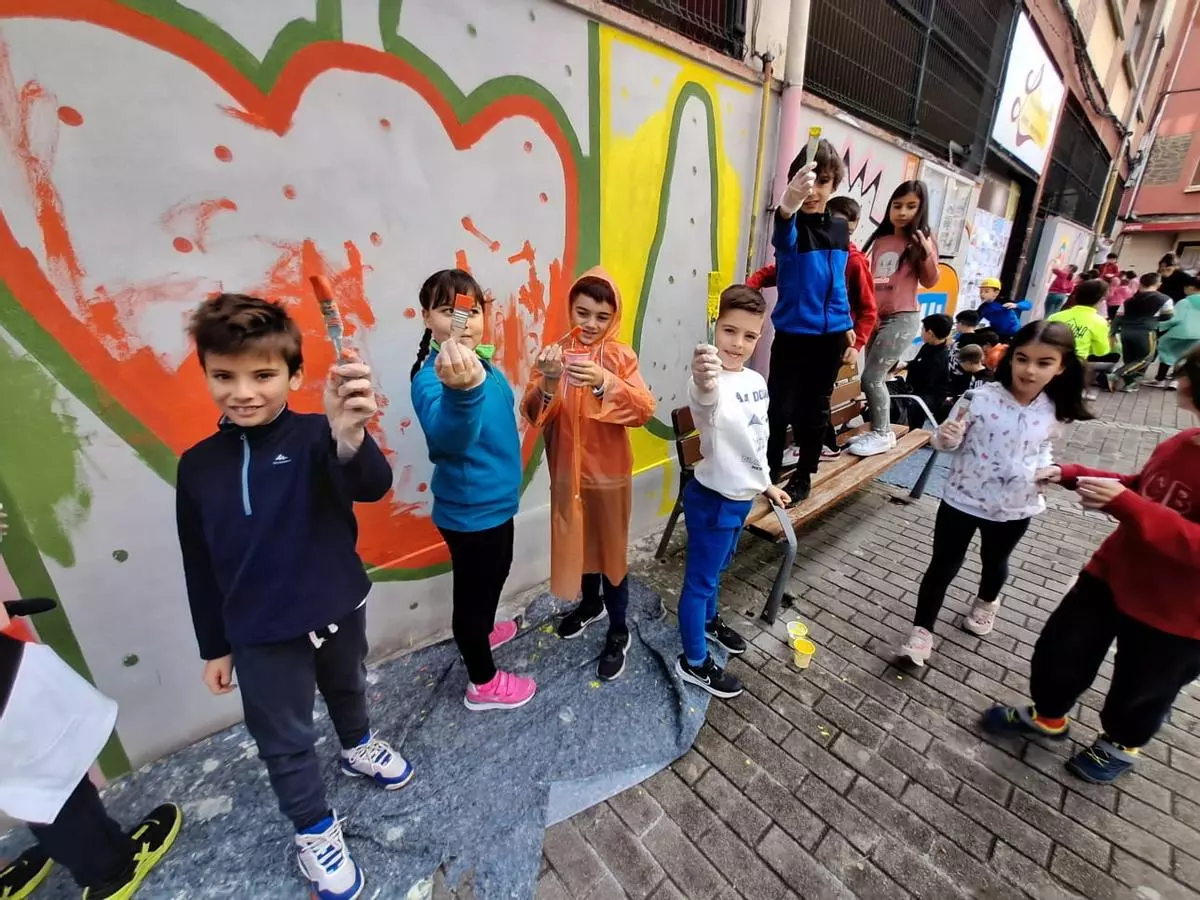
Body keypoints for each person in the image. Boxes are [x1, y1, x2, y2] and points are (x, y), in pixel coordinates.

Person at [176, 294, 409, 900]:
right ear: (206, 374)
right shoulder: (196, 466)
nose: (242, 392)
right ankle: (313, 830)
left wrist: (348, 433)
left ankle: (357, 745)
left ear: (295, 375)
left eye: (262, 375)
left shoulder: (317, 435)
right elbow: (198, 563)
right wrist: (215, 645)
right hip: (259, 633)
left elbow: (372, 484)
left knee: (349, 685)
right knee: (284, 740)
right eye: (224, 376)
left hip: (338, 605)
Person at [982, 343, 1200, 783]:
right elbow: (1142, 486)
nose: (1180, 380)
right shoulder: (1183, 441)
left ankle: (1120, 744)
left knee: (1144, 685)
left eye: (1188, 373)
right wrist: (1072, 474)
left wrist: (1130, 506)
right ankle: (1048, 716)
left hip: (1177, 613)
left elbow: (1146, 509)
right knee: (1061, 649)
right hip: (1112, 575)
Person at [900, 322, 1090, 666]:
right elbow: (944, 442)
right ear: (1010, 358)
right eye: (1022, 359)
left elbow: (1043, 449)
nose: (1029, 370)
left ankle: (987, 601)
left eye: (1044, 363)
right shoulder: (979, 398)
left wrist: (1047, 470)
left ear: (1061, 366)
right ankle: (921, 632)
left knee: (995, 561)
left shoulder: (1056, 409)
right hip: (962, 498)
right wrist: (946, 437)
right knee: (943, 565)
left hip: (1016, 505)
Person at [410, 269, 536, 707]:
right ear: (427, 318)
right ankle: (481, 682)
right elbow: (449, 440)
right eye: (448, 311)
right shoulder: (433, 380)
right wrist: (461, 393)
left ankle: (481, 631)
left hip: (497, 503)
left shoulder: (483, 365)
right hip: (470, 512)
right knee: (472, 593)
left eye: (472, 310)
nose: (463, 322)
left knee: (498, 571)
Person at [524, 270, 656, 680]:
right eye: (583, 313)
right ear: (570, 309)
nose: (591, 324)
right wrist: (549, 380)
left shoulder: (620, 357)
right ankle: (589, 604)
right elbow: (533, 414)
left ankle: (618, 629)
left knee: (610, 552)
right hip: (568, 475)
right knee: (578, 544)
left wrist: (604, 384)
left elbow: (643, 409)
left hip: (609, 476)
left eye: (602, 316)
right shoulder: (554, 354)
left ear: (614, 317)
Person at [676, 286, 790, 698]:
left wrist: (767, 484)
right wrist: (703, 378)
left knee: (718, 570)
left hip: (742, 499)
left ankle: (709, 623)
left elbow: (755, 442)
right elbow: (705, 400)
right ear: (714, 327)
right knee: (699, 583)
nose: (738, 343)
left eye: (749, 335)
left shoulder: (756, 380)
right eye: (729, 331)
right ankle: (693, 661)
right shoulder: (708, 381)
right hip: (713, 502)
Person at [747, 194, 877, 461]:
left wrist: (856, 342)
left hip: (833, 337)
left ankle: (820, 448)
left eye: (847, 231)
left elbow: (868, 309)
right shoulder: (805, 247)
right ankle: (803, 450)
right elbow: (774, 271)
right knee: (792, 399)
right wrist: (748, 292)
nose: (838, 235)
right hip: (797, 334)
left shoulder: (853, 260)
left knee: (812, 398)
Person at [761, 139, 853, 501]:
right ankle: (768, 472)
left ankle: (804, 475)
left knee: (815, 409)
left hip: (830, 336)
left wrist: (847, 324)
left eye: (823, 182)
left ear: (834, 185)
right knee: (779, 407)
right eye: (806, 181)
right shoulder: (792, 226)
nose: (813, 191)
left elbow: (838, 282)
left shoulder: (840, 228)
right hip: (793, 333)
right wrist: (787, 206)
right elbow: (783, 232)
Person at [851, 180, 940, 458]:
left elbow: (930, 280)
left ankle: (882, 433)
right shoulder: (881, 241)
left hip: (902, 317)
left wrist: (926, 252)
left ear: (921, 209)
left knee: (872, 378)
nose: (902, 212)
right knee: (874, 377)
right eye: (897, 205)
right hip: (875, 318)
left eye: (911, 206)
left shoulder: (922, 241)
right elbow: (872, 282)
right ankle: (879, 428)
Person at [1108, 273, 1172, 392]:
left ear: (1140, 284)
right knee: (1145, 359)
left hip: (1126, 332)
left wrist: (1112, 333)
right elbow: (1168, 317)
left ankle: (1130, 384)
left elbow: (1118, 318)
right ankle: (1115, 375)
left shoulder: (1129, 300)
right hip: (1145, 333)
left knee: (1130, 360)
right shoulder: (1164, 299)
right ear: (1159, 284)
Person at [894, 313, 953, 428]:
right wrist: (905, 364)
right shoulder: (929, 346)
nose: (921, 332)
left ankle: (910, 430)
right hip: (918, 389)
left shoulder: (939, 358)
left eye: (922, 329)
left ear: (930, 333)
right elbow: (918, 363)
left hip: (928, 396)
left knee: (900, 404)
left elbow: (923, 383)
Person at [1150, 275, 1200, 388]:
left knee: (1166, 353)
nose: (1184, 290)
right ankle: (1176, 381)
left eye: (1185, 287)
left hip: (1180, 334)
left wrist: (1159, 325)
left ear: (1191, 287)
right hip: (1198, 336)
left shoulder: (1185, 302)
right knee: (1185, 357)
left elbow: (1175, 319)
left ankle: (1160, 379)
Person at [975, 277, 1031, 343]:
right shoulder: (983, 308)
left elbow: (1028, 304)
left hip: (1013, 333)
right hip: (997, 333)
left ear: (996, 292)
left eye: (986, 291)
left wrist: (1017, 305)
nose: (982, 294)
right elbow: (974, 320)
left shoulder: (1003, 301)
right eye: (981, 292)